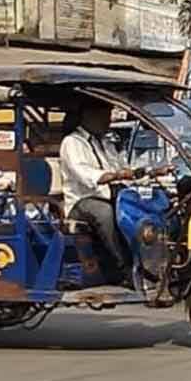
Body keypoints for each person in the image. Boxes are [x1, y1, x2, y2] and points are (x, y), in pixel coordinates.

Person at [60, 106, 137, 275]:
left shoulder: (105, 142)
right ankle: (123, 267)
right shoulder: (72, 142)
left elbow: (123, 168)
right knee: (104, 212)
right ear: (87, 115)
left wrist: (145, 173)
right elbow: (86, 175)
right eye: (104, 115)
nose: (107, 120)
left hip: (112, 195)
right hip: (82, 202)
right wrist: (114, 175)